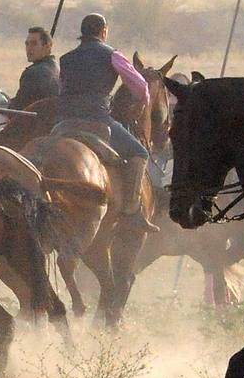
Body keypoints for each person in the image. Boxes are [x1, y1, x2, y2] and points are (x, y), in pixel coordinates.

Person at [51, 13, 161, 232]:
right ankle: (132, 210)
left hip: (63, 122)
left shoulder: (65, 58)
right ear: (103, 31)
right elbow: (140, 85)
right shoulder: (112, 55)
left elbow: (62, 90)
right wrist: (142, 103)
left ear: (82, 34)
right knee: (140, 153)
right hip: (97, 119)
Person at [15, 27, 59, 110]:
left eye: (34, 44)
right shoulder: (57, 68)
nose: (29, 48)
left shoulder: (32, 73)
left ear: (47, 47)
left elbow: (17, 107)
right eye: (27, 44)